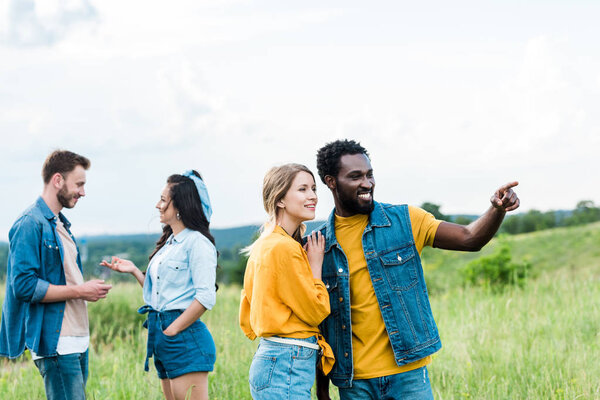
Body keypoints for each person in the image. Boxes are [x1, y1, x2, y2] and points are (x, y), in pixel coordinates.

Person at [314, 139, 520, 400]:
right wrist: (321, 391)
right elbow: (316, 324)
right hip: (354, 382)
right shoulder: (319, 246)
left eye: (370, 174)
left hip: (408, 375)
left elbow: (470, 238)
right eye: (355, 176)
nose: (367, 183)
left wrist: (496, 209)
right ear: (331, 181)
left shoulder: (406, 220)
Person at [0, 150, 112, 400]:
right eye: (79, 184)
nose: (83, 192)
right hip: (57, 343)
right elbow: (25, 286)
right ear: (58, 180)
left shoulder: (60, 224)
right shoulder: (30, 222)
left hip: (76, 341)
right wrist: (81, 291)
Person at [101, 170, 217, 400]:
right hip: (162, 335)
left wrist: (172, 330)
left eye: (163, 200)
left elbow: (205, 297)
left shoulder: (198, 244)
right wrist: (135, 271)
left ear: (180, 206)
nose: (158, 205)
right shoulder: (169, 244)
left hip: (182, 337)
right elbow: (163, 295)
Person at [239, 163, 335, 399]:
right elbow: (316, 311)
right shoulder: (285, 248)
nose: (312, 196)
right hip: (286, 360)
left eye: (313, 188)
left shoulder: (265, 242)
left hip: (273, 355)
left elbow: (247, 313)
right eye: (302, 189)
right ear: (280, 199)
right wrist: (315, 265)